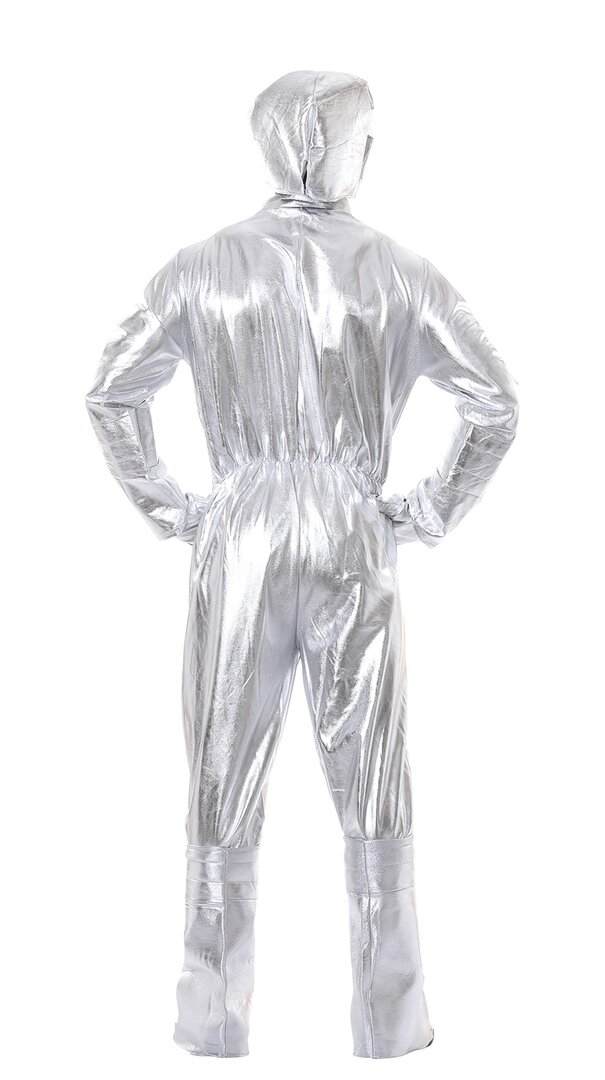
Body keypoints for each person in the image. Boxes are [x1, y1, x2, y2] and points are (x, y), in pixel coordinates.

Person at [85, 68, 520, 1059]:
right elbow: (495, 402)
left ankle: (210, 1023)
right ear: (352, 148)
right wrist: (425, 509)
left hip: (238, 531)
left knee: (221, 774)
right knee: (372, 778)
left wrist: (173, 507)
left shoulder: (201, 266)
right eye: (366, 137)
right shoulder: (401, 271)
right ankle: (390, 1025)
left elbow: (111, 391)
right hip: (351, 529)